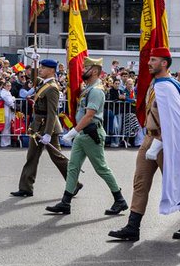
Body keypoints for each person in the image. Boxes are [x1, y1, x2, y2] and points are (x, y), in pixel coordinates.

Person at [108, 47, 180, 242]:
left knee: (178, 180)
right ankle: (133, 226)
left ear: (164, 63)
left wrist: (159, 142)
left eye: (154, 60)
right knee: (140, 182)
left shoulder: (168, 87)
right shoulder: (156, 84)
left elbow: (174, 120)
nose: (149, 63)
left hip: (166, 142)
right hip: (150, 138)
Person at [44, 58, 128, 216]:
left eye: (86, 68)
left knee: (101, 168)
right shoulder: (88, 89)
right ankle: (66, 202)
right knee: (73, 167)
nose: (83, 71)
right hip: (83, 134)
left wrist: (74, 131)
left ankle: (120, 199)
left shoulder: (96, 90)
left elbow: (90, 115)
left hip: (91, 133)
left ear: (95, 71)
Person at [10, 59, 68, 197]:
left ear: (51, 70)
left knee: (58, 158)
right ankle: (26, 187)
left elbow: (52, 113)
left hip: (48, 127)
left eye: (43, 68)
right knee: (32, 156)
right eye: (40, 67)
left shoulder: (52, 87)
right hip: (38, 126)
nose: (40, 69)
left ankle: (74, 182)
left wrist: (48, 133)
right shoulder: (44, 84)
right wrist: (34, 59)